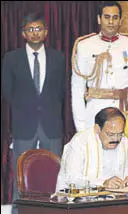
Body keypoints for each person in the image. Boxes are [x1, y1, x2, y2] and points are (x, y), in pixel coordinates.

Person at [1, 13, 65, 213]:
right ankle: (19, 211)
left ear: (46, 32)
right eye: (30, 29)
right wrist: (26, 108)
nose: (35, 33)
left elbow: (62, 90)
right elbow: (7, 90)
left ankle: (52, 210)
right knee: (21, 175)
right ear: (23, 33)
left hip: (51, 124)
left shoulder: (58, 57)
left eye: (39, 29)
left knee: (54, 174)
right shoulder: (11, 58)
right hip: (24, 125)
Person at [71, 1, 128, 152]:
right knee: (95, 164)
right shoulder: (84, 45)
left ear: (120, 20)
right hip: (94, 114)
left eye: (115, 17)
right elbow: (77, 89)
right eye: (107, 17)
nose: (111, 22)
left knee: (123, 161)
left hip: (124, 111)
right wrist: (81, 128)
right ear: (99, 19)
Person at [56, 107, 128, 191]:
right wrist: (102, 183)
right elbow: (72, 178)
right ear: (97, 129)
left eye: (120, 134)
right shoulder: (81, 141)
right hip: (76, 199)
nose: (116, 139)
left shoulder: (123, 141)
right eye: (110, 134)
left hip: (112, 197)